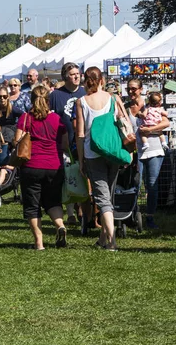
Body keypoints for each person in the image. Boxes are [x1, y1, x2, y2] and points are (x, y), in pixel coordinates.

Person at [76, 67, 130, 251]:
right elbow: (124, 122)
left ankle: (111, 242)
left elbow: (81, 134)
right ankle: (103, 240)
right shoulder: (112, 98)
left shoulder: (82, 101)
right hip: (113, 151)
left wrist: (81, 160)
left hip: (92, 152)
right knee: (108, 196)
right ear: (102, 80)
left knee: (103, 198)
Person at [15, 86, 68, 250]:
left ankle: (39, 243)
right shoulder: (57, 119)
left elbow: (17, 141)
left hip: (31, 165)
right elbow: (65, 144)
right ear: (48, 100)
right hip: (54, 165)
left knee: (32, 205)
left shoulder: (25, 118)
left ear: (31, 99)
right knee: (53, 201)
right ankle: (60, 225)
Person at [126, 79, 169, 229]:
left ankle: (150, 217)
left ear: (140, 89)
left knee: (152, 184)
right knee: (135, 185)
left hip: (154, 148)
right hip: (134, 151)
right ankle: (133, 216)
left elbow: (165, 123)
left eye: (134, 89)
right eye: (128, 89)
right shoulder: (125, 108)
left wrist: (149, 130)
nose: (131, 92)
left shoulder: (151, 103)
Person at [49, 62, 87, 226]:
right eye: (72, 74)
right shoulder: (56, 95)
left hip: (82, 142)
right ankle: (70, 213)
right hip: (63, 142)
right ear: (65, 77)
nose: (76, 76)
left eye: (78, 73)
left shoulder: (85, 93)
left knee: (82, 175)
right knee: (68, 177)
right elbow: (51, 117)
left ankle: (82, 208)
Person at [0, 86, 24, 188]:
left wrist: (19, 128)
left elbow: (23, 115)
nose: (2, 99)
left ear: (8, 97)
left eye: (4, 96)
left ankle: (3, 167)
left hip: (9, 134)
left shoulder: (13, 109)